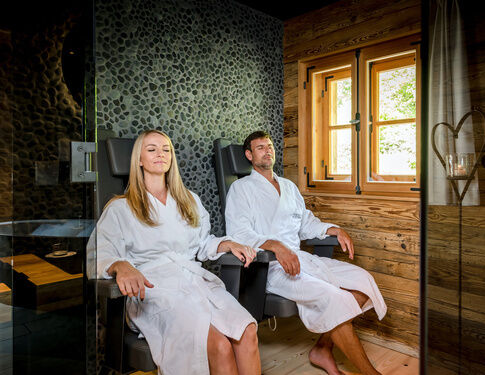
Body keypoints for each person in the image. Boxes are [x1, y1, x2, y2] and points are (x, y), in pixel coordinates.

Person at [93, 130, 261, 375]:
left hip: (194, 282)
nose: (160, 154)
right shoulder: (120, 208)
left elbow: (202, 244)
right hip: (154, 290)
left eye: (166, 149)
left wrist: (227, 244)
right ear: (139, 160)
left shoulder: (189, 200)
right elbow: (101, 252)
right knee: (219, 346)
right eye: (151, 149)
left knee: (247, 331)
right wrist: (121, 265)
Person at [225, 130, 387, 375]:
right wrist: (276, 247)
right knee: (336, 298)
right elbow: (239, 234)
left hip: (301, 259)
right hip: (271, 266)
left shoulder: (289, 187)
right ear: (248, 155)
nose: (267, 150)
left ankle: (322, 349)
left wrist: (332, 229)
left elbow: (305, 224)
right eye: (260, 147)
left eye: (269, 146)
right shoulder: (241, 189)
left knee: (363, 282)